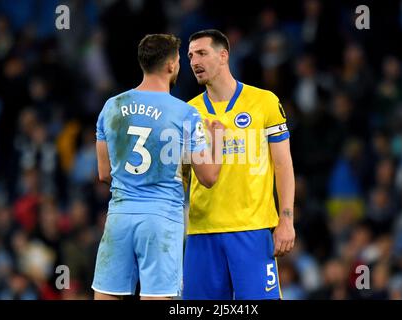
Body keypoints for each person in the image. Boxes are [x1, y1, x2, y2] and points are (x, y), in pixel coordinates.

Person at [91, 34, 223, 300]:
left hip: (119, 217)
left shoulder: (111, 107)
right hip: (161, 220)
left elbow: (104, 173)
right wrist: (217, 139)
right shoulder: (184, 113)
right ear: (172, 65)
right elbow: (208, 177)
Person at [183, 29, 296, 300]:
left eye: (201, 53)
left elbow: (283, 165)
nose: (194, 61)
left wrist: (286, 219)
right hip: (202, 231)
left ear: (223, 56)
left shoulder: (264, 102)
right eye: (189, 56)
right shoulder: (188, 112)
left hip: (252, 230)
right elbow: (182, 176)